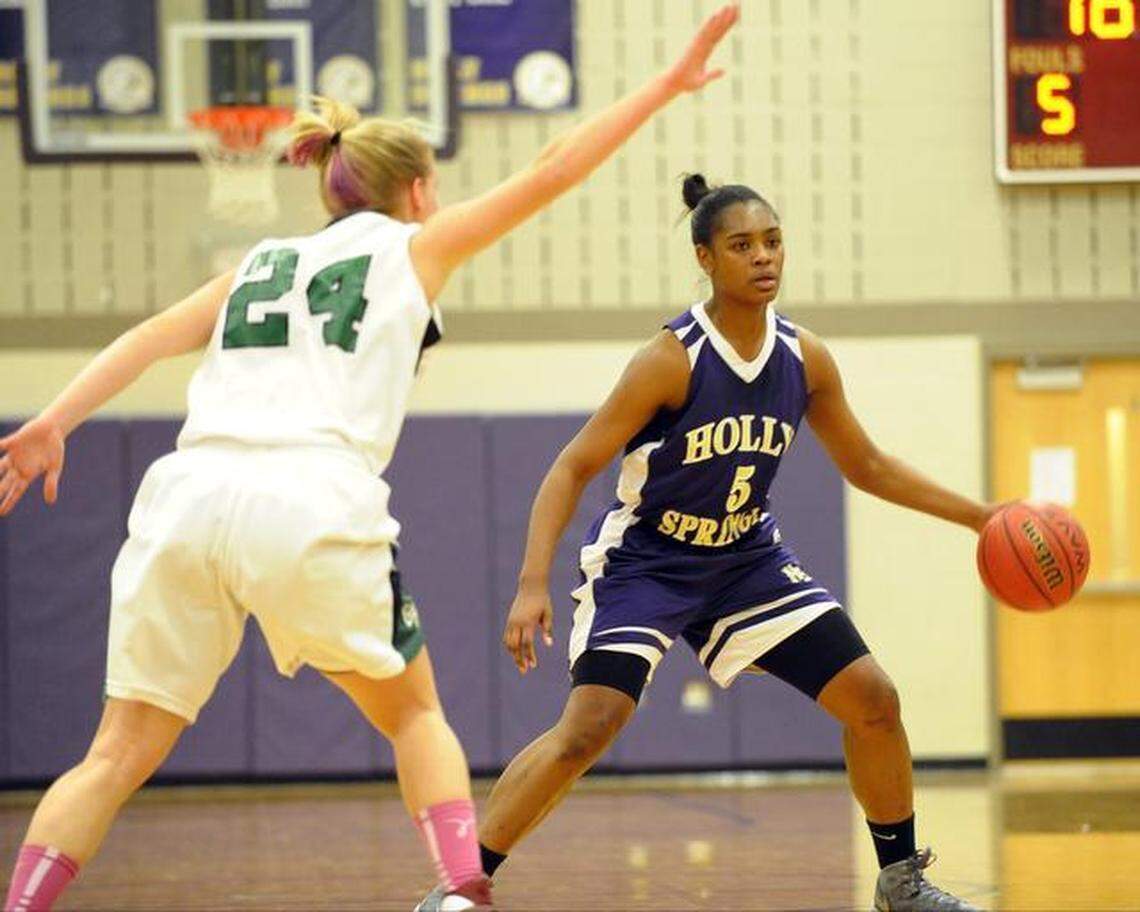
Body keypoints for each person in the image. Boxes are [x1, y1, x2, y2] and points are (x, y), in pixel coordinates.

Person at [0, 8, 740, 911]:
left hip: (185, 497)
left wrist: (53, 422)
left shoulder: (258, 265)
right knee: (416, 715)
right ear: (419, 191)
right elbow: (554, 170)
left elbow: (152, 337)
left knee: (112, 754)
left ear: (332, 191)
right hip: (311, 498)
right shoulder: (416, 248)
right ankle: (464, 893)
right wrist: (664, 85)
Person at [431, 176, 991, 911]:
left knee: (875, 700)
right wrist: (533, 582)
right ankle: (458, 889)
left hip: (745, 562)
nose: (763, 257)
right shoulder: (671, 359)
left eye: (772, 241)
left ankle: (900, 882)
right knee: (589, 726)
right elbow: (571, 466)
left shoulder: (805, 358)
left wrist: (983, 516)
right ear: (706, 258)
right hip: (648, 561)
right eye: (741, 245)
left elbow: (871, 467)